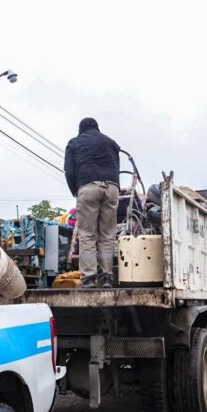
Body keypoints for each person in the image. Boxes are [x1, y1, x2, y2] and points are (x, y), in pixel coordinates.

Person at [64, 117, 121, 288]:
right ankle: (106, 278)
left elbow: (69, 170)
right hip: (112, 188)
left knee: (88, 235)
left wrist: (76, 190)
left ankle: (88, 278)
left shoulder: (75, 143)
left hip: (88, 187)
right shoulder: (111, 143)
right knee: (107, 235)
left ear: (80, 129)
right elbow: (116, 166)